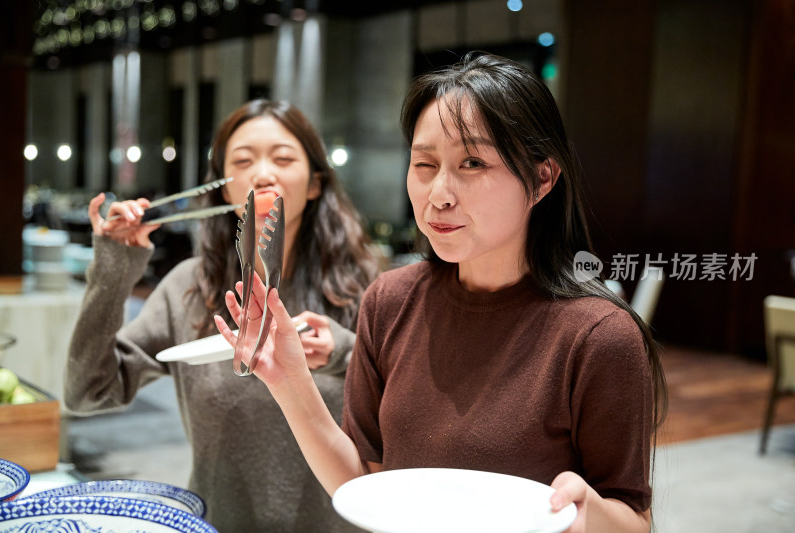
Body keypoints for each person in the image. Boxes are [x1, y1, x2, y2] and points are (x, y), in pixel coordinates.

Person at [217, 52, 668, 533]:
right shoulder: (389, 302)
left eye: (472, 162)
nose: (439, 194)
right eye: (425, 164)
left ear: (542, 179)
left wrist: (589, 512)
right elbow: (364, 483)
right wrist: (288, 379)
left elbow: (633, 520)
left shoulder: (599, 336)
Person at [64, 99, 380, 532]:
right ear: (224, 190)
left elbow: (409, 419)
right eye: (243, 161)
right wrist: (114, 269)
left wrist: (343, 351)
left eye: (283, 158)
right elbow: (87, 393)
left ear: (314, 184)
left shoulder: (373, 290)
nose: (263, 173)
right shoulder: (188, 289)